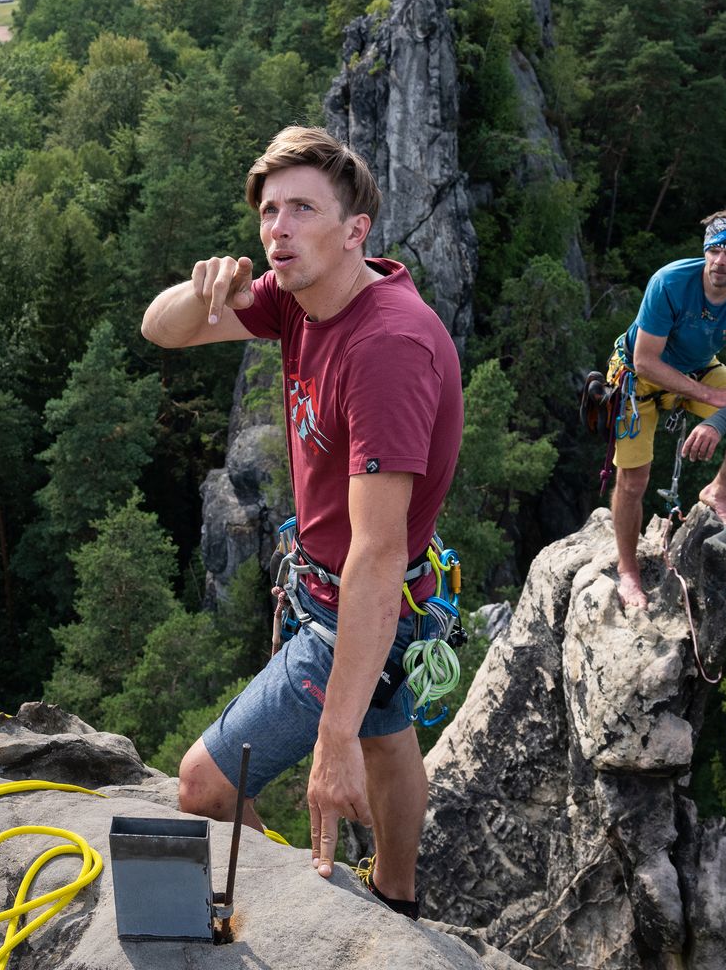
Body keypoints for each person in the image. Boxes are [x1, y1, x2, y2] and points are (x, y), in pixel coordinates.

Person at [140, 126, 463, 919]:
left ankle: (306, 907)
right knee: (389, 736)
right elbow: (160, 329)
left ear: (356, 230)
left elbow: (378, 556)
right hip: (348, 589)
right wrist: (204, 287)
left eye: (302, 210)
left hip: (353, 603)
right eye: (269, 211)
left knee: (204, 785)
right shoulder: (300, 301)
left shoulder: (385, 346)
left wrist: (332, 735)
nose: (277, 228)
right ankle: (395, 899)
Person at [606, 208, 726, 610]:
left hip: (697, 369)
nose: (720, 262)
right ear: (704, 250)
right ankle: (627, 570)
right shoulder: (670, 282)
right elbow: (646, 361)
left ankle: (720, 491)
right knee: (633, 481)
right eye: (714, 250)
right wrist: (717, 399)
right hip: (641, 379)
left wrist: (721, 421)